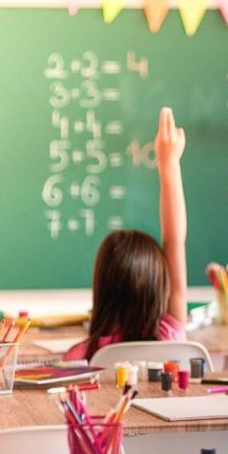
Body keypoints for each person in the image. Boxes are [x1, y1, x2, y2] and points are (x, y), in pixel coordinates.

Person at [66, 108, 188, 361]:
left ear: (102, 288)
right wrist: (169, 165)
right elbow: (174, 240)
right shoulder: (170, 336)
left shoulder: (81, 357)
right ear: (160, 287)